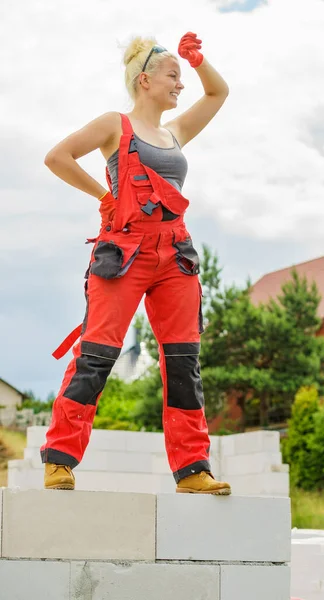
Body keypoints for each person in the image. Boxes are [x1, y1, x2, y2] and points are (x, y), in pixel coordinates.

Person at [40, 32, 231, 495]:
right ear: (144, 80)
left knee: (183, 361)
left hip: (176, 257)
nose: (180, 84)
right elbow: (56, 156)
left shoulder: (175, 133)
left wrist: (198, 60)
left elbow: (218, 93)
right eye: (173, 75)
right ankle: (60, 461)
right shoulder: (114, 125)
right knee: (98, 353)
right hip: (124, 254)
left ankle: (192, 471)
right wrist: (105, 195)